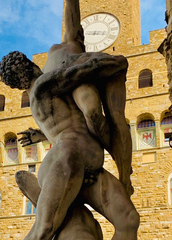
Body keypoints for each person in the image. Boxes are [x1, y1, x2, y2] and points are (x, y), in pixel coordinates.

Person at [0, 50, 155, 240]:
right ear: (28, 65)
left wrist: (39, 134)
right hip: (66, 160)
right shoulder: (45, 85)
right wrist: (116, 62)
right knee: (45, 227)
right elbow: (81, 71)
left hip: (88, 166)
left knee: (128, 220)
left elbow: (66, 119)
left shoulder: (48, 95)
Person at [44, 0, 133, 197]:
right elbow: (63, 123)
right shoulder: (49, 68)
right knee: (92, 115)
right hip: (76, 79)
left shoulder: (70, 43)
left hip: (101, 70)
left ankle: (125, 176)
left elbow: (71, 12)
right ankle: (117, 164)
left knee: (111, 117)